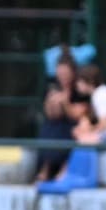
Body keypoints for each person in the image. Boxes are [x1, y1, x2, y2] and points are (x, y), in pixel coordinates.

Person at [33, 51, 88, 182]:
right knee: (48, 127)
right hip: (56, 124)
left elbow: (76, 114)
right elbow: (51, 115)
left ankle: (63, 169)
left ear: (72, 72)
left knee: (66, 130)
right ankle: (45, 169)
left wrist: (65, 102)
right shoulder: (53, 87)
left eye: (65, 73)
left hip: (74, 124)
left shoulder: (80, 89)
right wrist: (51, 102)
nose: (62, 76)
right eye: (60, 72)